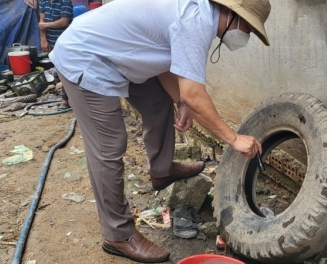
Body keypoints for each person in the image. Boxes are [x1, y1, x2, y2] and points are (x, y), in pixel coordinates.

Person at [49, 0, 271, 262]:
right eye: (249, 28)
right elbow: (194, 95)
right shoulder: (195, 21)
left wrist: (179, 101)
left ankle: (162, 170)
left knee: (157, 102)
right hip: (86, 57)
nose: (246, 36)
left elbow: (165, 60)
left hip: (118, 56)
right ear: (234, 15)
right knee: (108, 146)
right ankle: (117, 234)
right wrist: (233, 139)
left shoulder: (199, 15)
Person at [38, 0, 72, 109]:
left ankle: (65, 100)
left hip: (66, 42)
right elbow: (41, 22)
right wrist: (43, 39)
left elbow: (64, 22)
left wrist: (44, 25)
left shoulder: (65, 1)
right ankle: (66, 99)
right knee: (59, 69)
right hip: (51, 42)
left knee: (66, 70)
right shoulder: (43, 1)